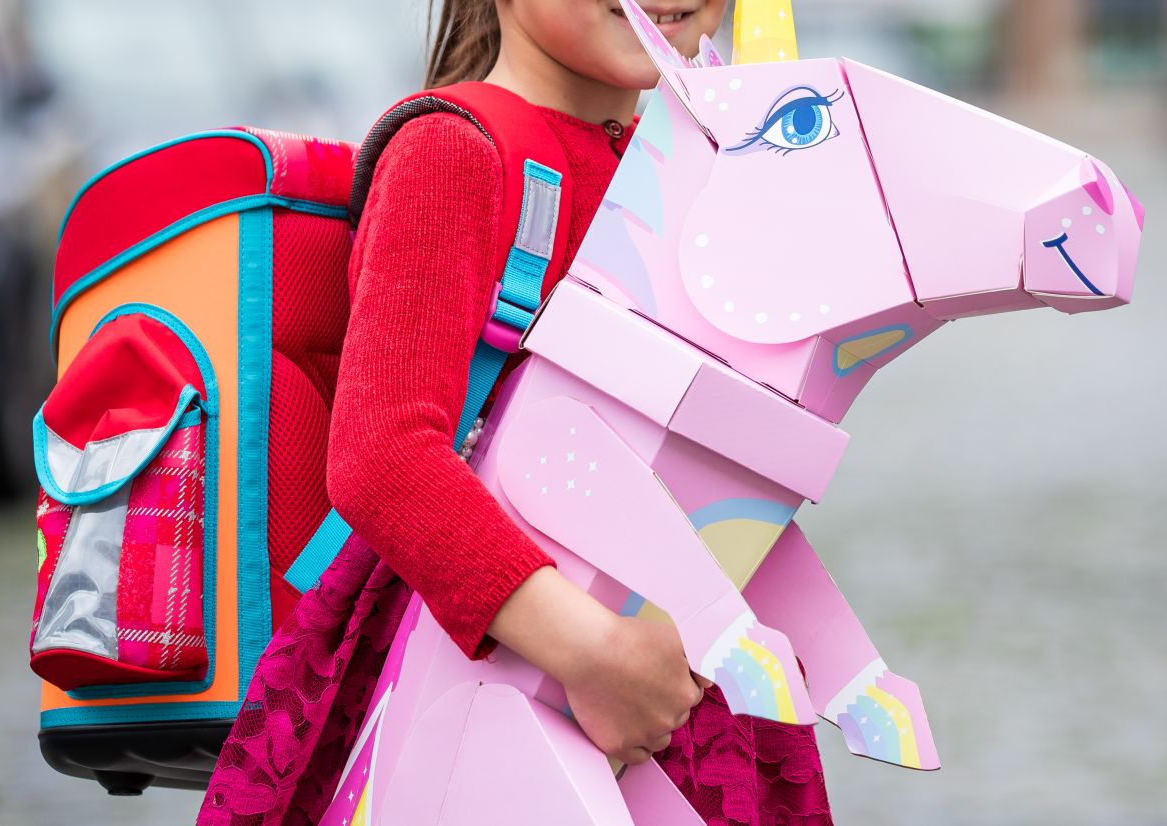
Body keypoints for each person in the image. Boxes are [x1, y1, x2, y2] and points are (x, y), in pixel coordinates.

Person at [200, 2, 833, 823]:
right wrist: (593, 653)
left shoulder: (692, 173)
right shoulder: (452, 152)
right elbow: (383, 453)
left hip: (667, 672)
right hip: (488, 671)